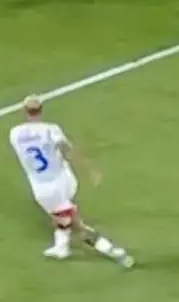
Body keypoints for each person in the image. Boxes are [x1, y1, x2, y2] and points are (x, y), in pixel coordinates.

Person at [9, 94, 135, 266]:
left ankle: (113, 251)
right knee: (63, 216)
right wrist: (90, 169)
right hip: (65, 180)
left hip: (45, 189)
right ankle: (62, 247)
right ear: (41, 110)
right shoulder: (51, 129)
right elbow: (68, 150)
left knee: (74, 223)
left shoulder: (15, 133)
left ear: (24, 111)